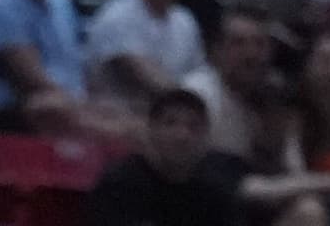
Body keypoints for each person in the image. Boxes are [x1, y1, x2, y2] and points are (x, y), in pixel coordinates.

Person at [96, 87, 247, 226]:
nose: (182, 135)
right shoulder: (119, 184)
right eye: (170, 123)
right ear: (151, 129)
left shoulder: (216, 192)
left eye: (193, 126)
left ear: (206, 136)